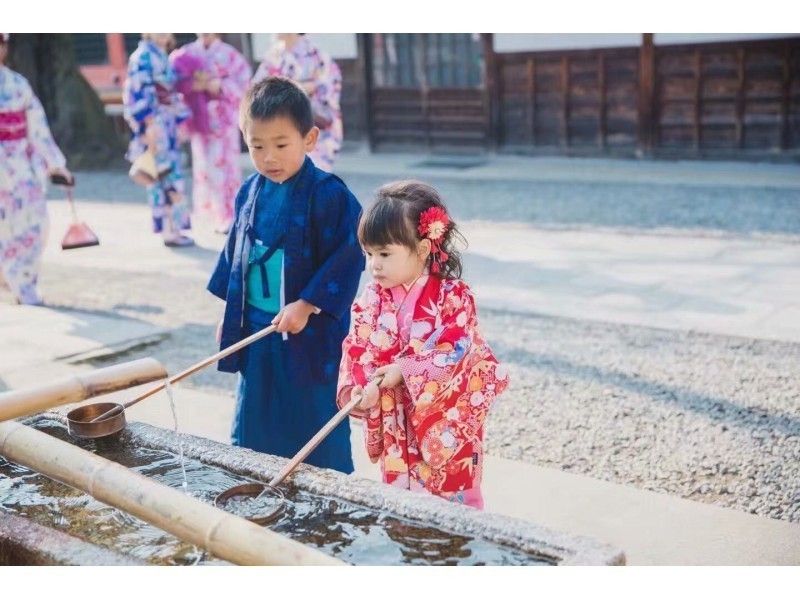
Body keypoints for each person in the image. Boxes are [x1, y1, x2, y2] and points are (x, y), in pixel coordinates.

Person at [207, 76, 364, 472]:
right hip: (259, 328)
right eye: (257, 146)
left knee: (314, 421)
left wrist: (308, 304)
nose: (269, 157)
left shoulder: (328, 194)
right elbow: (236, 257)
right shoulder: (248, 191)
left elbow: (348, 255)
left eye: (281, 145)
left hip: (308, 336)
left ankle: (327, 501)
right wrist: (229, 317)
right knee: (255, 420)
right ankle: (258, 481)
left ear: (309, 139)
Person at [337, 180, 509, 509]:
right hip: (395, 419)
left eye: (385, 253)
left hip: (443, 422)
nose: (374, 264)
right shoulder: (371, 297)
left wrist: (405, 368)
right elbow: (357, 346)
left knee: (453, 513)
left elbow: (460, 352)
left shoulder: (453, 296)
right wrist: (362, 387)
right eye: (369, 253)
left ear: (424, 248)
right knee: (403, 511)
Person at [0, 33, 73, 305]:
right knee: (4, 228)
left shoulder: (18, 84)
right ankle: (14, 280)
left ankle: (25, 280)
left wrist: (56, 164)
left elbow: (38, 128)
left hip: (21, 164)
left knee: (36, 223)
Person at [171, 34, 252, 234]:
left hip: (223, 123)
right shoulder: (187, 52)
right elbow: (175, 84)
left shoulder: (230, 55)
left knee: (225, 168)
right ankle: (215, 214)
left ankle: (231, 216)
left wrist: (219, 86)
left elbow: (246, 87)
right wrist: (191, 86)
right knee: (205, 168)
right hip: (199, 120)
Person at [123, 33, 194, 247]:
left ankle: (173, 227)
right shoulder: (142, 57)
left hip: (167, 121)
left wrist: (180, 120)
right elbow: (138, 91)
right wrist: (148, 124)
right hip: (156, 124)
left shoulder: (161, 55)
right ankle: (168, 230)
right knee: (162, 174)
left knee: (169, 173)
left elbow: (170, 92)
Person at [253, 34, 343, 172]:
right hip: (279, 131)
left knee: (312, 180)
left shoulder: (316, 55)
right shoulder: (273, 56)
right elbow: (255, 89)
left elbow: (330, 86)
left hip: (312, 130)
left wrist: (308, 88)